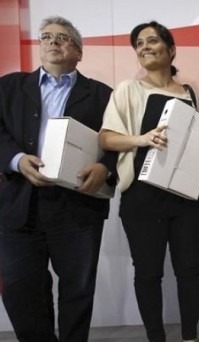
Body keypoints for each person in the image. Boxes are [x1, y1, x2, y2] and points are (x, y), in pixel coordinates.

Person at [0, 16, 116, 341]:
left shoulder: (103, 96)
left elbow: (120, 142)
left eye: (63, 38)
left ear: (78, 52)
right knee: (22, 292)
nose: (53, 42)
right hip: (20, 206)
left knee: (77, 294)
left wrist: (104, 168)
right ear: (39, 46)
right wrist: (17, 159)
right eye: (47, 37)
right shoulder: (7, 87)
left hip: (77, 207)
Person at [99, 21, 199, 342]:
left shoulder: (190, 93)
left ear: (171, 50)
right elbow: (106, 139)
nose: (144, 47)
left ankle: (189, 337)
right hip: (142, 199)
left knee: (189, 271)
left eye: (152, 40)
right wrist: (142, 139)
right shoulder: (128, 90)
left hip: (187, 198)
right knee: (148, 274)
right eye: (139, 43)